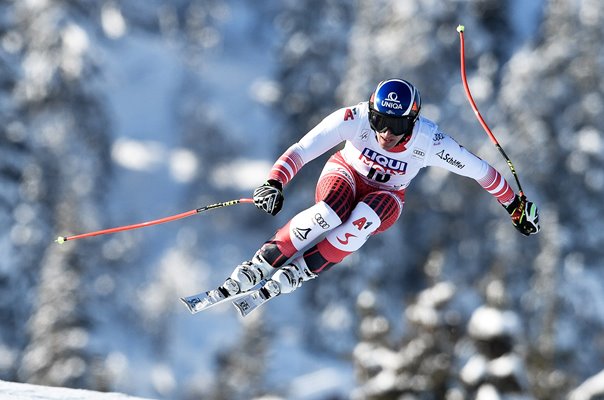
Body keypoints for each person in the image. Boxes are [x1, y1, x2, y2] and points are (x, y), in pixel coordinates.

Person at [220, 78, 540, 302]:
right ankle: (262, 263)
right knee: (328, 213)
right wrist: (274, 181)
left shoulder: (430, 142)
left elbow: (482, 172)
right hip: (345, 173)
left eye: (397, 126)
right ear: (371, 112)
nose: (386, 133)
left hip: (387, 195)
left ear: (413, 121)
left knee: (360, 221)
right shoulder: (355, 118)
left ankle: (301, 272)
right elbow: (304, 148)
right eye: (380, 121)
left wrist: (514, 206)